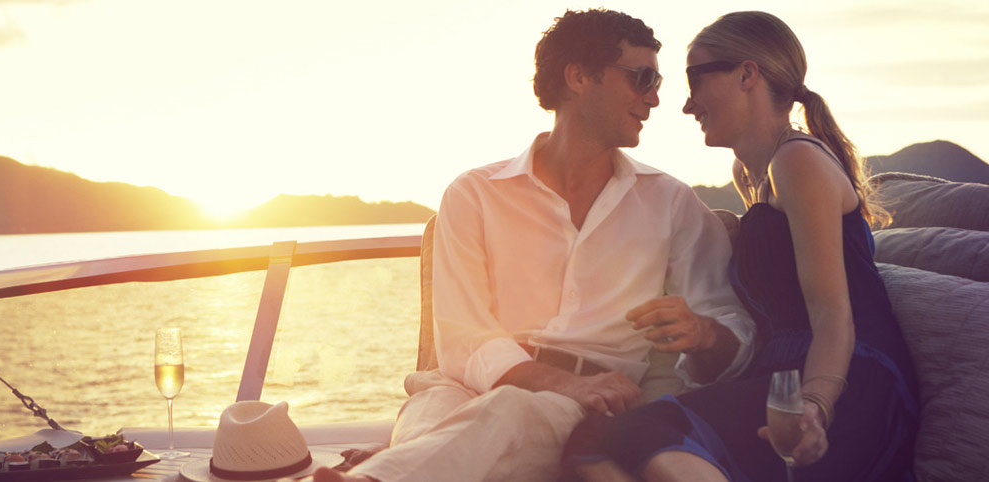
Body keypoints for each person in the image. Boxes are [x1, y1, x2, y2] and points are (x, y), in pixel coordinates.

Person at [288, 8, 754, 482]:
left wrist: (704, 332)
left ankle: (378, 474)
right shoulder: (475, 194)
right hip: (457, 388)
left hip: (587, 410)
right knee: (437, 422)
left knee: (498, 417)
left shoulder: (672, 205)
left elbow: (734, 326)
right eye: (642, 78)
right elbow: (464, 337)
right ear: (578, 76)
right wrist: (563, 382)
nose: (655, 99)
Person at [571, 11, 920, 481]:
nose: (687, 106)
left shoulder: (799, 162)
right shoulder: (750, 176)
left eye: (695, 81)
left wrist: (815, 406)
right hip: (778, 376)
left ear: (747, 74)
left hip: (847, 381)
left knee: (642, 431)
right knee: (588, 442)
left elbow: (834, 318)